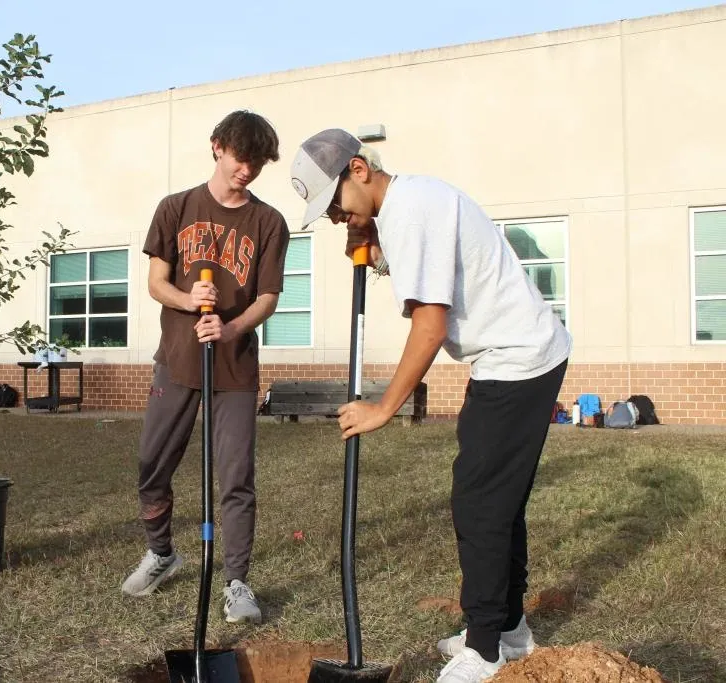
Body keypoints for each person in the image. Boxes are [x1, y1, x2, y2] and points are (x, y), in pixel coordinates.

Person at [289, 129, 571, 682]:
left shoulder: (410, 214)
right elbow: (434, 270)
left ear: (358, 170)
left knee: (480, 503)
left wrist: (383, 406)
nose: (335, 218)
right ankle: (508, 630)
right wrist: (376, 251)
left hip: (516, 359)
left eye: (335, 204)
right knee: (497, 498)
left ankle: (485, 649)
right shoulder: (410, 202)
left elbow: (430, 324)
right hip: (513, 355)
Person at [120, 110, 290, 625]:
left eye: (258, 162)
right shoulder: (175, 208)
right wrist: (190, 300)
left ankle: (237, 582)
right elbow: (156, 284)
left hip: (235, 370)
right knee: (152, 466)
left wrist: (232, 328)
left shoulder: (268, 222)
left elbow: (267, 297)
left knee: (236, 477)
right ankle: (162, 553)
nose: (248, 170)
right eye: (242, 158)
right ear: (217, 146)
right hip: (176, 361)